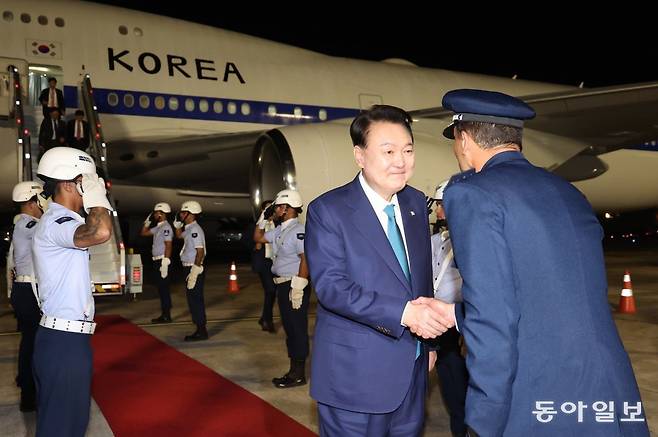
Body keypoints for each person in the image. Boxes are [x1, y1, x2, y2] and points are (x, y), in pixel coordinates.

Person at [426, 89, 649, 436]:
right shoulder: (568, 193)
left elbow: (495, 321)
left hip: (538, 394)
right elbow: (551, 293)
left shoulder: (473, 194)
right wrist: (456, 315)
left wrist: (484, 419)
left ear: (465, 139)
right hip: (607, 388)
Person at [304, 105, 454, 436]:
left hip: (412, 370)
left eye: (408, 150)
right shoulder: (328, 210)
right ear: (359, 156)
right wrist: (404, 314)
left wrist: (428, 347)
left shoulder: (415, 203)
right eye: (388, 151)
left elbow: (420, 281)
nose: (401, 161)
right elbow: (332, 287)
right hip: (355, 377)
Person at [32, 146, 113, 437]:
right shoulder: (58, 222)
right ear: (69, 183)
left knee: (66, 425)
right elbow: (101, 233)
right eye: (85, 181)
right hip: (64, 342)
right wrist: (98, 199)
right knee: (63, 429)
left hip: (63, 338)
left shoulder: (63, 221)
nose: (90, 187)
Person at [254, 189, 310, 388]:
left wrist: (299, 286)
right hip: (282, 284)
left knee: (297, 329)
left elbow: (306, 259)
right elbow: (258, 238)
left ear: (287, 208)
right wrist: (263, 216)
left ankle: (298, 374)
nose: (275, 209)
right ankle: (293, 371)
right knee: (289, 328)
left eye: (278, 206)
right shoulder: (281, 229)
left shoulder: (298, 230)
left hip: (294, 283)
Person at [428, 180, 468, 437]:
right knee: (448, 376)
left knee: (459, 377)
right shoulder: (438, 240)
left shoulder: (471, 241)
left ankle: (466, 427)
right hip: (436, 319)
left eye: (440, 204)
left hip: (459, 320)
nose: (437, 210)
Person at [8, 181, 46, 412]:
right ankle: (29, 394)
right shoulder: (31, 225)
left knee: (29, 342)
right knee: (34, 344)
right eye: (40, 200)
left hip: (23, 291)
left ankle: (26, 384)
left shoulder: (21, 225)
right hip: (29, 291)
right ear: (32, 203)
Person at [174, 201, 207, 341]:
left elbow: (200, 252)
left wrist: (195, 270)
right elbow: (179, 236)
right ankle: (199, 328)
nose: (180, 214)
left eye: (183, 212)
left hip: (194, 268)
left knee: (196, 299)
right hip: (189, 266)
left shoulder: (195, 230)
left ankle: (201, 330)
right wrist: (177, 226)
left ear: (190, 214)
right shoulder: (188, 228)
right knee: (192, 299)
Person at [141, 202, 174, 323]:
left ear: (160, 214)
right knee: (161, 288)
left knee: (164, 288)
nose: (154, 215)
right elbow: (143, 233)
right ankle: (165, 313)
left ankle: (166, 315)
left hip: (162, 261)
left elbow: (168, 245)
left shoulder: (166, 228)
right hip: (157, 261)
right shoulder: (159, 227)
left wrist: (165, 262)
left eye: (155, 213)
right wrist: (147, 221)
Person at [252, 200, 277, 333]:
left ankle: (264, 317)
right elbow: (249, 238)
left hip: (276, 262)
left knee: (271, 293)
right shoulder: (257, 226)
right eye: (266, 210)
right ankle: (267, 320)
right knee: (270, 290)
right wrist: (257, 247)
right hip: (264, 263)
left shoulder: (278, 224)